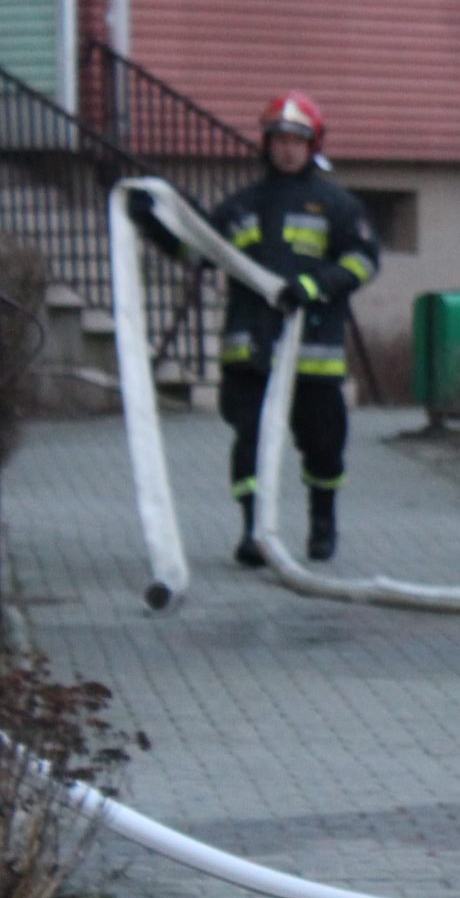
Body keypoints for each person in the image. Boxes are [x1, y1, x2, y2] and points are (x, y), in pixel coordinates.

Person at [128, 92, 380, 566]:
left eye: (296, 141)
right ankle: (253, 531)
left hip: (313, 352)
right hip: (251, 350)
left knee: (323, 446)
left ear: (313, 145)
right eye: (279, 139)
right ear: (266, 144)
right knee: (250, 443)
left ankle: (322, 521)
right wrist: (154, 224)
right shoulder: (241, 207)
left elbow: (363, 261)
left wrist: (313, 286)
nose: (287, 149)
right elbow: (200, 253)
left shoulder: (338, 206)